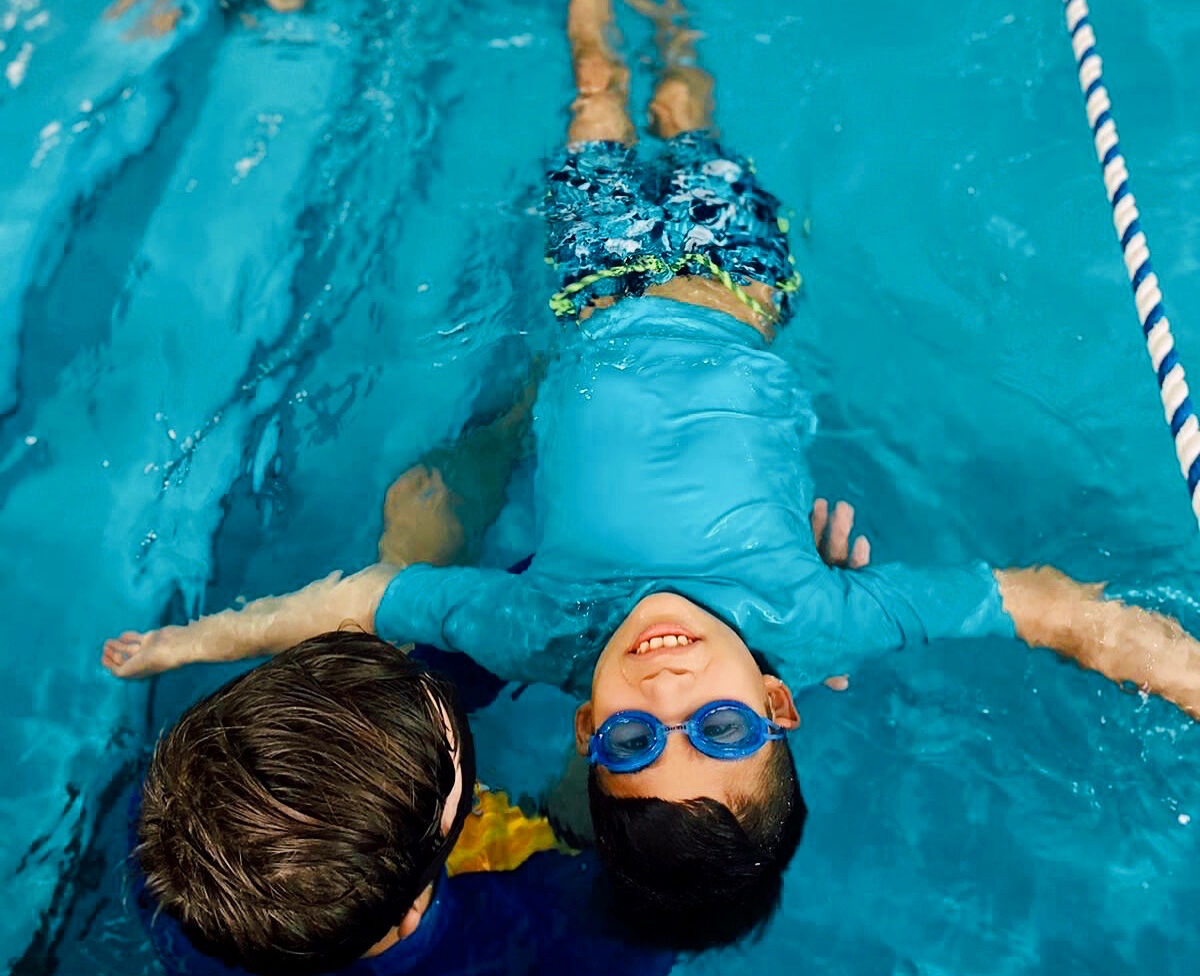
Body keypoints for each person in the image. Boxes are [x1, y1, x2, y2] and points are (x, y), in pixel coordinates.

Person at [104, 0, 1200, 951]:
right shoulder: (822, 622)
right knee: (689, 109)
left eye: (633, 740)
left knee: (594, 96)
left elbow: (357, 600)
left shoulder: (541, 629)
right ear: (777, 706)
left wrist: (191, 641)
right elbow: (1049, 607)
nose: (669, 696)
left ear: (588, 731)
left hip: (596, 289)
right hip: (737, 280)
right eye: (721, 730)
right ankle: (676, 20)